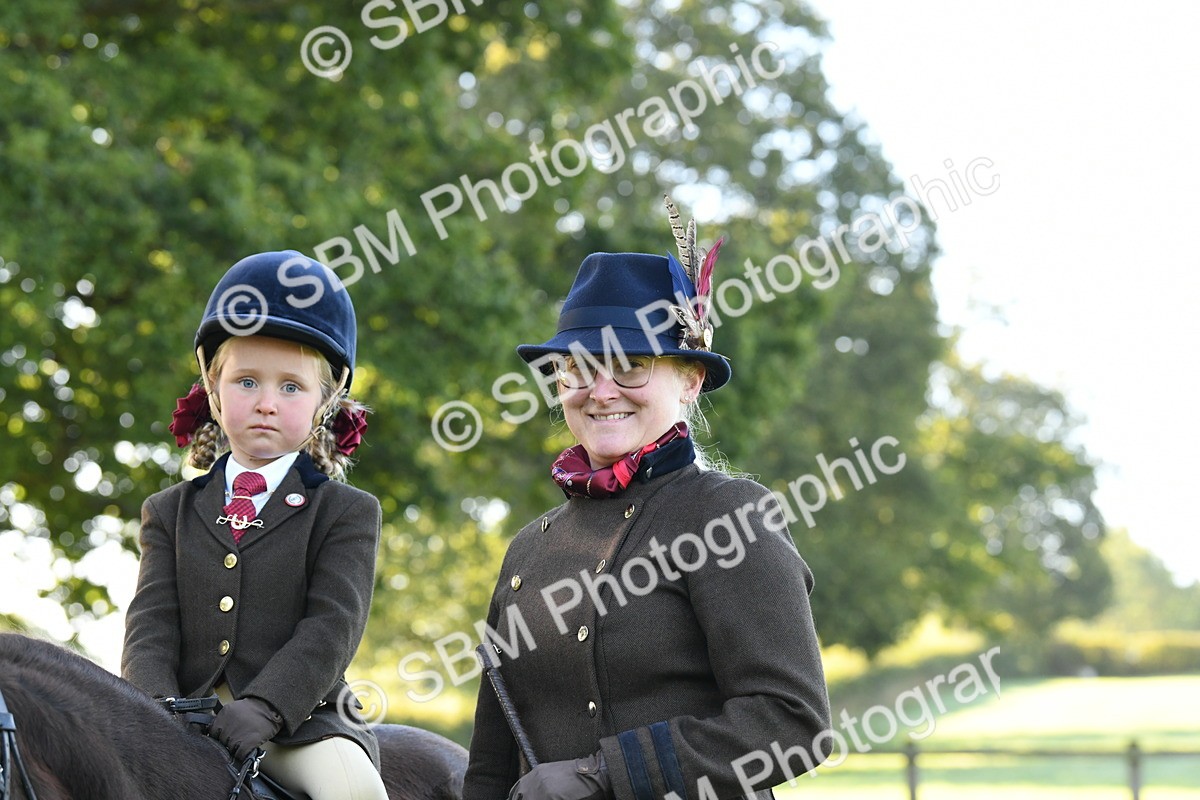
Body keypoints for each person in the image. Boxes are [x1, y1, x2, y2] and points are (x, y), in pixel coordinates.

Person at [463, 199, 832, 800]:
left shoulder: (730, 515)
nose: (601, 390)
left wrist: (599, 773)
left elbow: (792, 723)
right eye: (577, 369)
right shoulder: (528, 547)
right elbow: (491, 760)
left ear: (688, 381)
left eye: (631, 366)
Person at [122, 250, 388, 800]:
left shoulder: (345, 512)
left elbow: (332, 626)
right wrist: (151, 711)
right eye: (246, 383)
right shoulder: (167, 511)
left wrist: (267, 706)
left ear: (324, 403)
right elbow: (151, 626)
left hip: (301, 725)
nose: (267, 403)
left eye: (291, 387)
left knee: (353, 791)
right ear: (214, 395)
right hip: (178, 721)